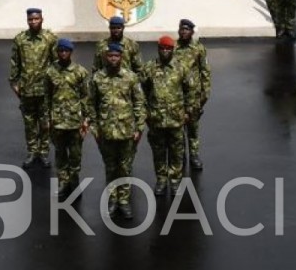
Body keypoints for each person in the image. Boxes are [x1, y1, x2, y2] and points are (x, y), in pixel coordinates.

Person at [89, 42, 144, 220]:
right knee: (110, 168)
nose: (113, 59)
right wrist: (94, 129)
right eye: (110, 56)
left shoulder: (130, 77)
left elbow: (139, 103)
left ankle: (124, 201)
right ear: (106, 57)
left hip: (127, 131)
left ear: (121, 57)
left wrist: (139, 127)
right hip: (105, 132)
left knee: (125, 167)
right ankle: (113, 199)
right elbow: (91, 105)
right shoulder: (97, 78)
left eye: (117, 56)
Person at [144, 36, 195, 196]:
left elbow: (190, 90)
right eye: (162, 48)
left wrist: (188, 111)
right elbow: (142, 91)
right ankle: (161, 179)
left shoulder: (181, 68)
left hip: (176, 119)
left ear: (172, 50)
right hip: (156, 119)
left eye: (168, 49)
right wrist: (146, 113)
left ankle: (175, 181)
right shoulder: (150, 68)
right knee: (158, 152)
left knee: (176, 152)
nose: (165, 51)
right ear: (158, 49)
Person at [10, 8, 57, 168]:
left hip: (44, 90)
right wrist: (14, 83)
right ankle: (32, 152)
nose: (33, 22)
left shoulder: (49, 39)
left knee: (45, 124)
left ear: (42, 19)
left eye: (36, 19)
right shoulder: (20, 39)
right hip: (27, 89)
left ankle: (43, 153)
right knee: (29, 123)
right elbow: (15, 63)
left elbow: (56, 63)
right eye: (30, 19)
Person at [45, 38, 90, 199]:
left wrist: (86, 119)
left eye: (66, 51)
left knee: (76, 154)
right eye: (60, 51)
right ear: (57, 52)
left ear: (71, 52)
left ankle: (74, 179)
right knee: (60, 153)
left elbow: (85, 97)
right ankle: (63, 181)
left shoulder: (80, 72)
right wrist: (47, 118)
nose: (63, 53)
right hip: (57, 121)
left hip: (74, 121)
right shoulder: (50, 71)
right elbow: (47, 96)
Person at [172, 19, 210, 170]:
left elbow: (205, 72)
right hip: (176, 95)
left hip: (193, 96)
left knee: (193, 129)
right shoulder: (174, 47)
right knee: (179, 128)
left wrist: (204, 94)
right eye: (181, 29)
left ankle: (194, 155)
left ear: (192, 32)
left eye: (187, 30)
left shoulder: (198, 49)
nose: (184, 32)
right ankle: (181, 156)